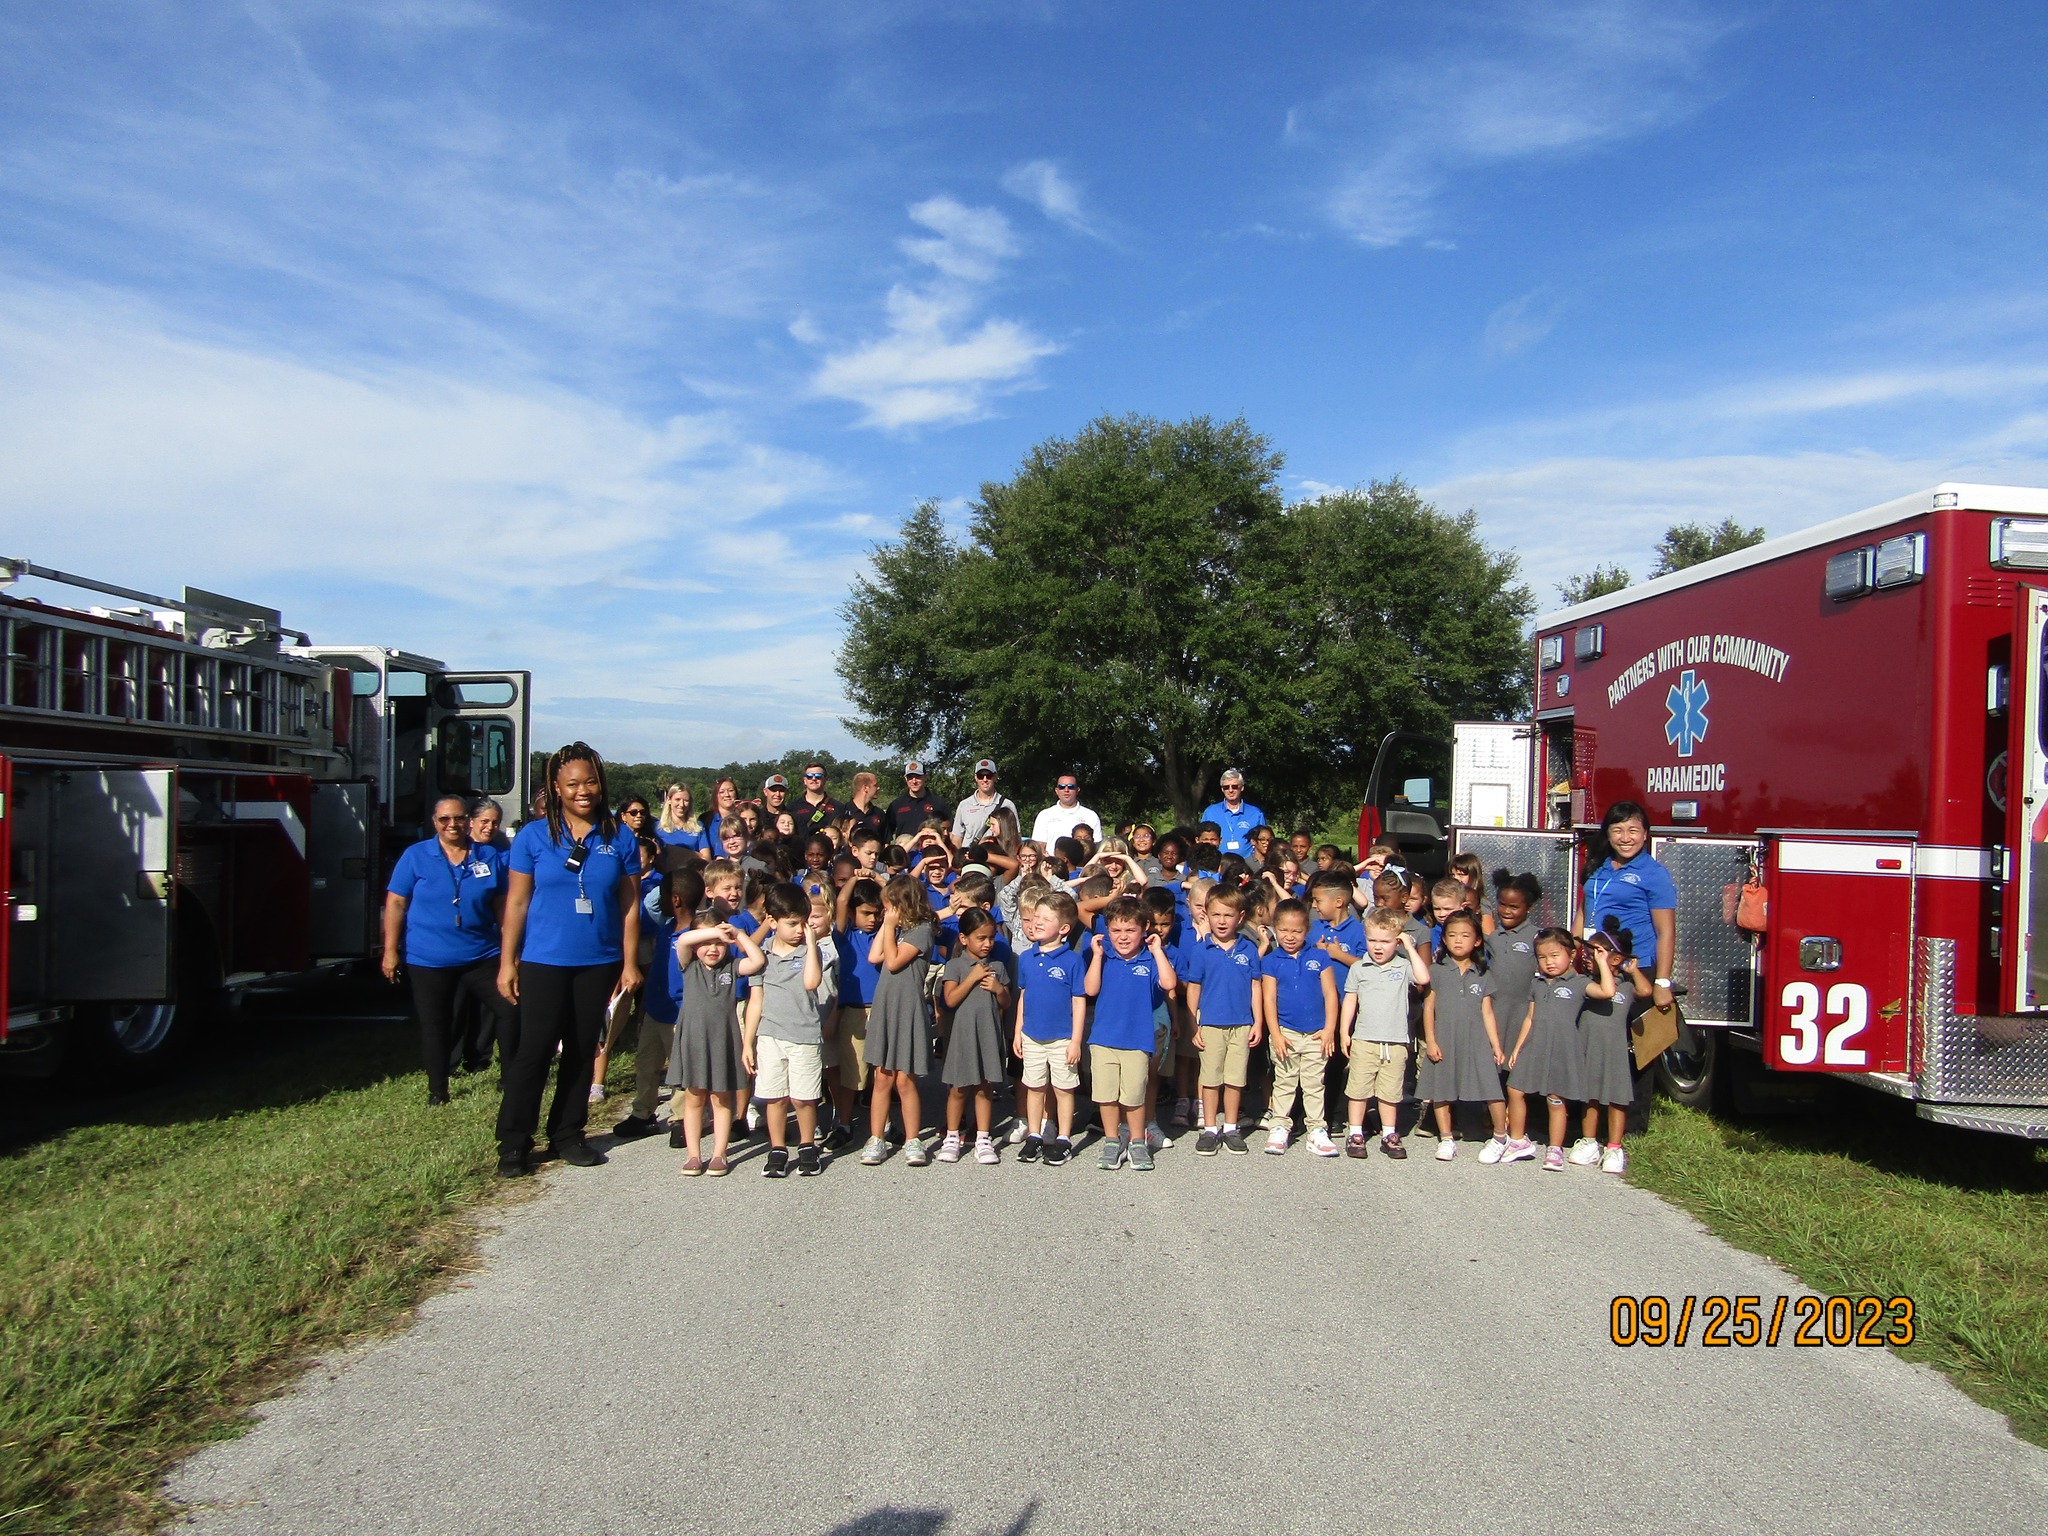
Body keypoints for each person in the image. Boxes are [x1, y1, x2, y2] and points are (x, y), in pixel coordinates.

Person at [494, 743, 643, 1177]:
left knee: (582, 1048)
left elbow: (629, 905)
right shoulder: (533, 836)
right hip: (544, 959)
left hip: (598, 960)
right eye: (573, 783)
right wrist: (508, 961)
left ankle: (567, 1134)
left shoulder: (619, 837)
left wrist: (629, 962)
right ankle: (514, 1142)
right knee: (534, 1050)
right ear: (555, 788)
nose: (583, 791)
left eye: (591, 782)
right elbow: (517, 902)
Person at [382, 793, 515, 1101]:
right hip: (428, 958)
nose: (452, 824)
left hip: (481, 954)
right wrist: (390, 951)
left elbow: (502, 904)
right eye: (444, 819)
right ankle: (438, 1090)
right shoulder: (416, 855)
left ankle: (511, 1079)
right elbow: (396, 903)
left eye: (458, 818)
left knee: (510, 1009)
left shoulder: (487, 855)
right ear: (434, 822)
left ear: (468, 821)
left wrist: (511, 949)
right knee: (436, 1023)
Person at [741, 882, 835, 1178]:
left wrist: (811, 944)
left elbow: (811, 983)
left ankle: (807, 1146)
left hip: (804, 1035)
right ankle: (778, 1148)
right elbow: (755, 1001)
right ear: (772, 921)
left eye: (803, 923)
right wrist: (748, 1042)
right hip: (770, 1035)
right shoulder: (762, 955)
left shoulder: (810, 951)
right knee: (775, 1097)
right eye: (792, 924)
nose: (799, 929)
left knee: (803, 1098)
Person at [1081, 897, 1177, 1171]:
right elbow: (1090, 989)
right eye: (1116, 930)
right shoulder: (1105, 957)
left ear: (1144, 928)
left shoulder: (1149, 959)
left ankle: (1137, 1142)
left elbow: (1169, 983)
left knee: (1134, 1097)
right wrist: (1097, 956)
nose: (1123, 937)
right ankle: (1112, 1140)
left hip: (1137, 1040)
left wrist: (1157, 951)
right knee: (1107, 1096)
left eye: (1130, 930)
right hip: (1104, 1039)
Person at [1505, 929, 1612, 1170]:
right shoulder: (1537, 983)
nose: (1549, 962)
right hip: (1534, 1044)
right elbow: (1530, 1018)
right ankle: (1518, 1140)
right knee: (1514, 1088)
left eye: (1555, 955)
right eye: (1542, 957)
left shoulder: (1580, 982)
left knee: (1555, 1098)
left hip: (1562, 1048)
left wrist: (1602, 962)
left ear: (1571, 955)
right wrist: (1517, 1048)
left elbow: (1607, 992)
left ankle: (1555, 1149)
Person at [670, 918, 765, 1177]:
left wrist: (737, 934)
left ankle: (719, 1153)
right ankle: (693, 1155)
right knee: (694, 1096)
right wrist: (715, 932)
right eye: (706, 943)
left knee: (722, 1097)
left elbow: (757, 961)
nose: (713, 948)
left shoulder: (732, 966)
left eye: (719, 944)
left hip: (723, 1038)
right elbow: (683, 940)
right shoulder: (689, 965)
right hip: (694, 1039)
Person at [613, 865, 702, 1141]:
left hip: (681, 1013)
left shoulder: (697, 935)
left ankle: (683, 1118)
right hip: (655, 1008)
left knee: (681, 1069)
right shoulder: (664, 930)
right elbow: (656, 971)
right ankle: (642, 1114)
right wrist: (642, 1009)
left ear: (675, 899)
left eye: (662, 895)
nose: (659, 900)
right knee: (646, 1064)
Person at [860, 872, 939, 1166]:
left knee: (904, 1079)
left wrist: (891, 927)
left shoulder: (922, 930)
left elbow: (893, 962)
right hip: (886, 1006)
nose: (885, 913)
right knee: (882, 1076)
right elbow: (874, 956)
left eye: (889, 907)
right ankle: (876, 1137)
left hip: (907, 1007)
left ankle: (912, 1139)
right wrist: (888, 925)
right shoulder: (897, 930)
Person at [1339, 909, 1430, 1158]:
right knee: (1358, 1090)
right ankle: (1355, 1133)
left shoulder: (1403, 965)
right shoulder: (1359, 968)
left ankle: (1389, 1133)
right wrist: (1344, 1032)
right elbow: (1350, 1001)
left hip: (1395, 1042)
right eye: (1372, 940)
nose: (1378, 947)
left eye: (1386, 941)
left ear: (1397, 941)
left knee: (1390, 1093)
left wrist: (1409, 947)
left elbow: (1423, 978)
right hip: (1364, 1039)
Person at [1418, 912, 1506, 1163]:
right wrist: (1431, 1041)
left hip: (1477, 1040)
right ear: (1444, 940)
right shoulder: (1436, 971)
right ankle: (1446, 1138)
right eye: (1452, 935)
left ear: (1477, 941)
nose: (1458, 940)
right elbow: (1429, 1009)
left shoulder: (1483, 974)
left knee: (1492, 1087)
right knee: (1442, 1089)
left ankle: (1501, 1137)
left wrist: (1496, 1045)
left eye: (1465, 935)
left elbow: (1487, 1012)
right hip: (1445, 1038)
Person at [1579, 800, 1679, 1020]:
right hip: (1595, 963)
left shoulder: (1654, 874)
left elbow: (1665, 932)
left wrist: (1662, 982)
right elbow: (1584, 912)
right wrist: (1572, 953)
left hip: (1634, 967)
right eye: (1618, 830)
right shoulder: (1598, 866)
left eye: (1633, 831)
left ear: (1645, 834)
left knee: (1631, 1035)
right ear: (1608, 834)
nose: (1625, 838)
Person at [1186, 885, 1265, 1155]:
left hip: (1241, 1023)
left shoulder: (1249, 949)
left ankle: (1231, 1127)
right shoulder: (1201, 950)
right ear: (1206, 915)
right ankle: (1209, 1128)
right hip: (1210, 1024)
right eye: (1216, 915)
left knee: (1235, 1078)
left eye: (1228, 915)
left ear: (1240, 917)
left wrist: (1258, 1022)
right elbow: (1194, 988)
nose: (1221, 921)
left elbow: (1256, 986)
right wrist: (1193, 1024)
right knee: (1210, 1078)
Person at [1259, 898, 1341, 1156]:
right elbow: (1269, 999)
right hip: (1286, 1032)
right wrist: (1275, 1034)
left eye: (1296, 931)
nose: (1290, 936)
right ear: (1275, 928)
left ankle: (1317, 1129)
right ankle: (1279, 1126)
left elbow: (1330, 994)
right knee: (1284, 1081)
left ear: (1307, 930)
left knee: (1314, 1083)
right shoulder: (1271, 961)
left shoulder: (1320, 956)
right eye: (1283, 930)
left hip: (1317, 1033)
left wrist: (1329, 1030)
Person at [1013, 890, 1087, 1166]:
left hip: (1062, 1038)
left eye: (1046, 918)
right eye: (1036, 917)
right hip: (1032, 1035)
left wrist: (1076, 1041)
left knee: (1064, 1088)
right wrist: (1018, 1031)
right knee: (1034, 1086)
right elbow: (1023, 995)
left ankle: (1064, 1138)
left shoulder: (1073, 960)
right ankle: (1034, 1134)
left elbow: (1078, 1001)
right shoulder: (1026, 958)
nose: (1037, 922)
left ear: (1064, 928)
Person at [937, 907, 1011, 1165]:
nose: (987, 943)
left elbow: (1006, 1002)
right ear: (964, 938)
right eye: (981, 938)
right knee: (959, 1089)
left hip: (988, 1034)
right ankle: (951, 1137)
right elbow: (950, 1000)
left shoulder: (998, 966)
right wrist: (972, 978)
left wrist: (998, 989)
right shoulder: (955, 965)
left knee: (984, 1087)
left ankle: (982, 1138)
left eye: (991, 938)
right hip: (962, 1036)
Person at [1572, 929, 1640, 1174]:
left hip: (1615, 1053)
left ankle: (1614, 1148)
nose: (1588, 956)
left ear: (1616, 958)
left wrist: (1633, 971)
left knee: (1616, 1099)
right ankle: (1589, 1142)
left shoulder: (1627, 987)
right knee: (1589, 1096)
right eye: (1588, 951)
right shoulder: (1588, 984)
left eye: (1596, 952)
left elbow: (1646, 992)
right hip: (1589, 1049)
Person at [827, 877, 884, 1149]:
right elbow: (841, 900)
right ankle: (844, 1124)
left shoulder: (884, 934)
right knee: (852, 1074)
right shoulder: (845, 936)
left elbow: (895, 904)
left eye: (876, 913)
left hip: (881, 1009)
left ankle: (883, 1125)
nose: (872, 919)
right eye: (865, 913)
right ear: (853, 913)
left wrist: (879, 880)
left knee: (882, 1072)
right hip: (854, 1010)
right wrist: (857, 877)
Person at [1199, 767, 1266, 858]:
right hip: (1217, 862)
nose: (1230, 790)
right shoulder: (1210, 812)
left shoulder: (1255, 813)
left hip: (1247, 864)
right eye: (1226, 787)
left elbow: (1263, 840)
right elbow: (1202, 839)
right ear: (1222, 789)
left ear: (1242, 788)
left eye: (1234, 786)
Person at [949, 758, 1016, 847]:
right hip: (971, 854)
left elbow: (1015, 837)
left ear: (995, 777)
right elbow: (956, 839)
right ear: (975, 778)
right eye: (980, 776)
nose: (985, 779)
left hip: (998, 855)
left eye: (989, 776)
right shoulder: (964, 805)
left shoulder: (1007, 805)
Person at [1029, 773, 1102, 847]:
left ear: (1077, 790)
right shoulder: (1044, 815)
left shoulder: (1091, 816)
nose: (1066, 790)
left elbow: (1097, 846)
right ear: (1056, 790)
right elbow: (1038, 846)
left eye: (1071, 787)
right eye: (1062, 787)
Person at [883, 761, 948, 841]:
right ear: (905, 778)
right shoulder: (896, 805)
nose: (914, 781)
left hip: (930, 848)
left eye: (918, 777)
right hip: (905, 848)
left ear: (925, 777)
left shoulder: (939, 804)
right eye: (910, 777)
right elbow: (886, 836)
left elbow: (950, 832)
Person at [655, 781, 709, 857]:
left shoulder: (698, 827)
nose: (682, 804)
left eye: (686, 800)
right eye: (677, 799)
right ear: (669, 800)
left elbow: (706, 858)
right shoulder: (657, 827)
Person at [793, 763, 839, 840]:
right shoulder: (793, 807)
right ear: (805, 780)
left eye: (818, 776)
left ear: (825, 780)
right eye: (809, 776)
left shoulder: (838, 807)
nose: (814, 778)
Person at [844, 771, 886, 840]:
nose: (878, 788)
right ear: (865, 788)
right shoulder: (844, 811)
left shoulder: (879, 813)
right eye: (875, 785)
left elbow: (885, 842)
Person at [703, 776, 740, 850]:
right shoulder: (705, 820)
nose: (727, 795)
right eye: (722, 792)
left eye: (730, 790)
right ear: (715, 796)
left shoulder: (743, 817)